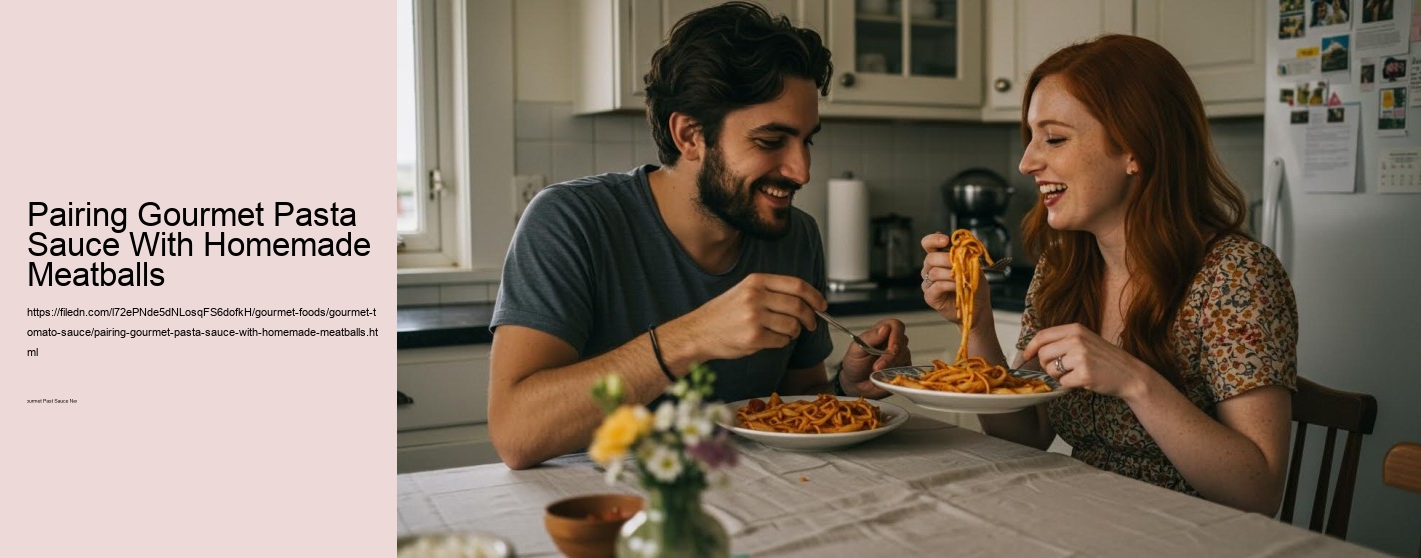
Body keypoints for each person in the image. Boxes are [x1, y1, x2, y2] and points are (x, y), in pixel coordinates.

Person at [488, 1, 909, 470]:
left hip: (771, 504)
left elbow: (795, 404)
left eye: (807, 140)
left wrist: (846, 390)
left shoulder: (795, 236)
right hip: (612, 511)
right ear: (690, 136)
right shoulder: (572, 221)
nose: (802, 171)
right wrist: (693, 337)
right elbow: (516, 433)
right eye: (771, 141)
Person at [919, 34, 1297, 514]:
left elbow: (1258, 491)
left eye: (1054, 138)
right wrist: (976, 322)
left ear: (1134, 148)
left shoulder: (1236, 276)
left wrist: (1135, 381)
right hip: (1084, 517)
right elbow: (1028, 433)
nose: (1027, 161)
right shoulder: (1064, 267)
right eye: (1031, 137)